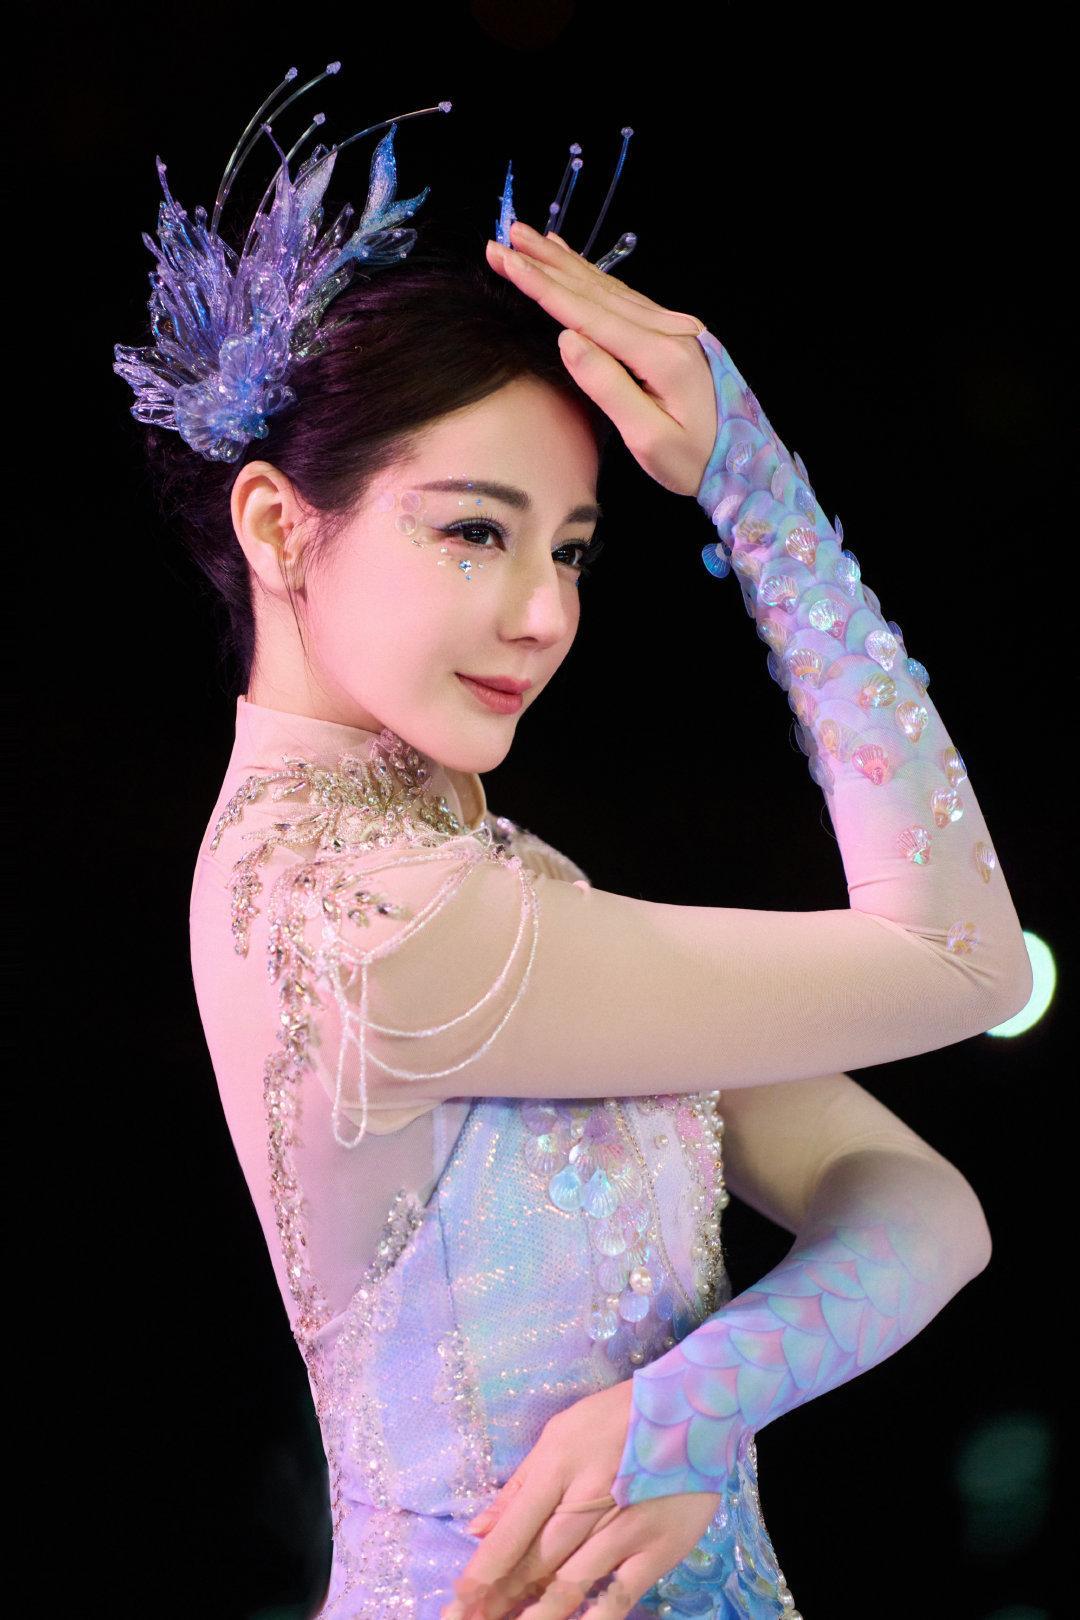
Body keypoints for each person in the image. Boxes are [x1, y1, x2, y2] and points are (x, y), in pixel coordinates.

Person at [116, 75, 1032, 1620]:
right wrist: (760, 496)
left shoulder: (511, 889)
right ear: (277, 528)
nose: (545, 613)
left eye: (574, 549)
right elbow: (964, 960)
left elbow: (925, 1202)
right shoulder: (370, 918)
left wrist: (691, 1404)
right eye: (474, 530)